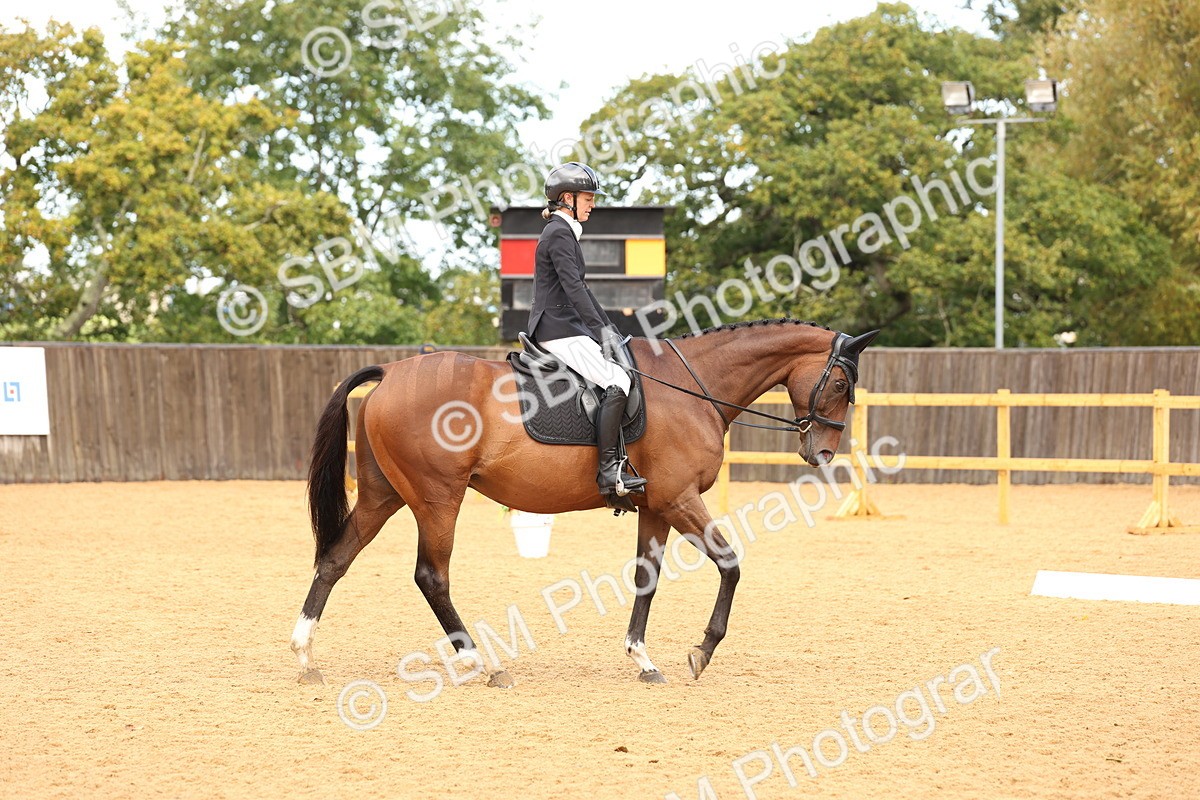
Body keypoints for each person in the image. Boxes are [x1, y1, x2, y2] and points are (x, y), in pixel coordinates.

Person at [526, 162, 647, 511]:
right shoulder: (559, 233)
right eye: (588, 198)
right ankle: (608, 471)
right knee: (618, 380)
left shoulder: (563, 232)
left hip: (565, 325)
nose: (593, 205)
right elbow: (574, 290)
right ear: (568, 198)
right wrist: (600, 333)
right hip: (557, 328)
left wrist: (608, 330)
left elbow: (584, 291)